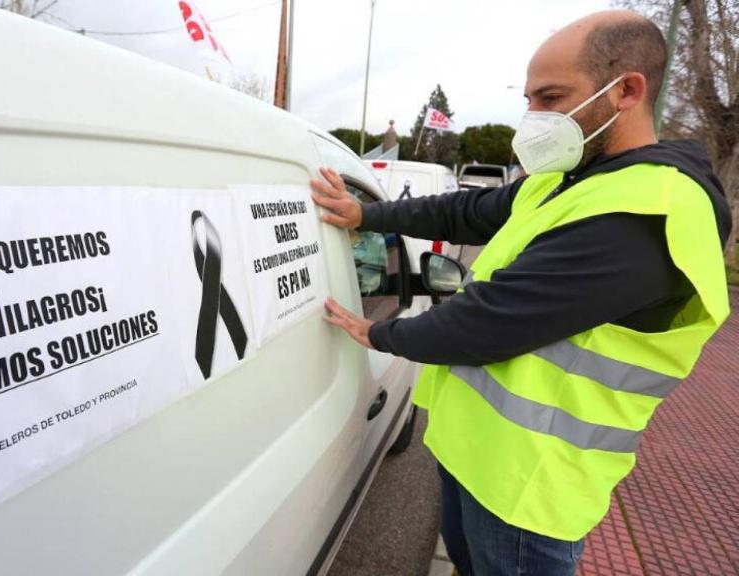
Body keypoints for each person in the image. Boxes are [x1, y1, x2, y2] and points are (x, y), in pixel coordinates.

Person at [310, 10, 732, 576]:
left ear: (627, 89)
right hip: (477, 457)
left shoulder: (648, 209)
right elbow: (467, 210)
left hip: (530, 489)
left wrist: (378, 330)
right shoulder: (573, 181)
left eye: (551, 97)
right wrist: (368, 212)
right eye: (529, 99)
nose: (533, 117)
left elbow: (489, 322)